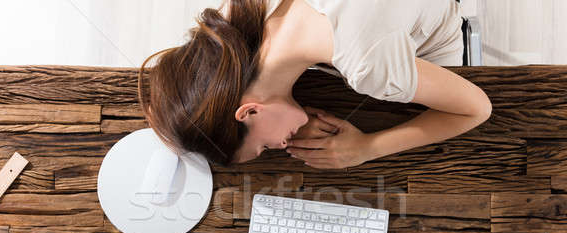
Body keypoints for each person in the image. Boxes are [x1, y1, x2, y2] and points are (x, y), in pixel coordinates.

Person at [138, 0, 492, 169]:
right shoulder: (239, 15)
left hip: (436, 34)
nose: (282, 144)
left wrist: (366, 148)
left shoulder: (370, 67)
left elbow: (476, 108)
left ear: (249, 110)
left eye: (265, 147)